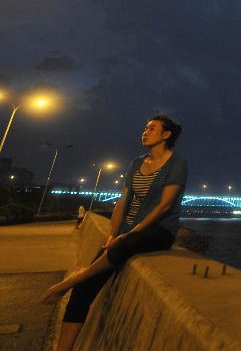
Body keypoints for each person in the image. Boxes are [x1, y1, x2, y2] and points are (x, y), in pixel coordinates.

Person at [41, 115, 188, 351]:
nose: (145, 132)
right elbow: (122, 201)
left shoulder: (176, 163)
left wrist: (131, 233)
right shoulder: (137, 163)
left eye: (152, 128)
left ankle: (68, 282)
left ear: (166, 135)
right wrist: (113, 234)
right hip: (125, 235)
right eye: (145, 128)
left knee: (127, 245)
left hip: (157, 232)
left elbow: (165, 206)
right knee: (83, 292)